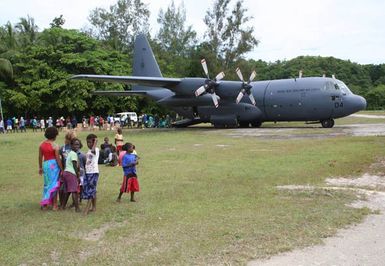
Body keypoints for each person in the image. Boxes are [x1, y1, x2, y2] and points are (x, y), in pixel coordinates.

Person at [38, 126, 63, 210]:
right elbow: (58, 159)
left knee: (47, 184)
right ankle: (55, 205)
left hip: (45, 165)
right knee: (54, 185)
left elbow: (40, 157)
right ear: (54, 136)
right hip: (53, 166)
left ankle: (45, 203)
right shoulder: (55, 146)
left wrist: (40, 167)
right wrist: (62, 169)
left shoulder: (41, 145)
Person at [61, 138, 81, 212]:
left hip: (66, 172)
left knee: (68, 191)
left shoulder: (70, 153)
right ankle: (77, 208)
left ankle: (63, 206)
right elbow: (74, 165)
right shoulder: (73, 154)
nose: (77, 146)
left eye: (78, 144)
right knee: (74, 191)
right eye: (75, 144)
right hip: (71, 173)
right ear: (71, 145)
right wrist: (77, 175)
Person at [82, 133, 100, 215]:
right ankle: (94, 206)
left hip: (93, 172)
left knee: (91, 190)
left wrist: (95, 142)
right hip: (88, 172)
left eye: (90, 142)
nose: (88, 144)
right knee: (92, 190)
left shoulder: (96, 149)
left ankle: (87, 209)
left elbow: (93, 151)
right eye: (87, 142)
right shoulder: (89, 151)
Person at [59, 131, 76, 207]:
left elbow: (61, 160)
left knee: (62, 187)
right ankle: (74, 203)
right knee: (73, 188)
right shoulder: (74, 148)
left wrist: (61, 169)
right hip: (72, 170)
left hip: (64, 170)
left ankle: (62, 202)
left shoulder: (62, 148)